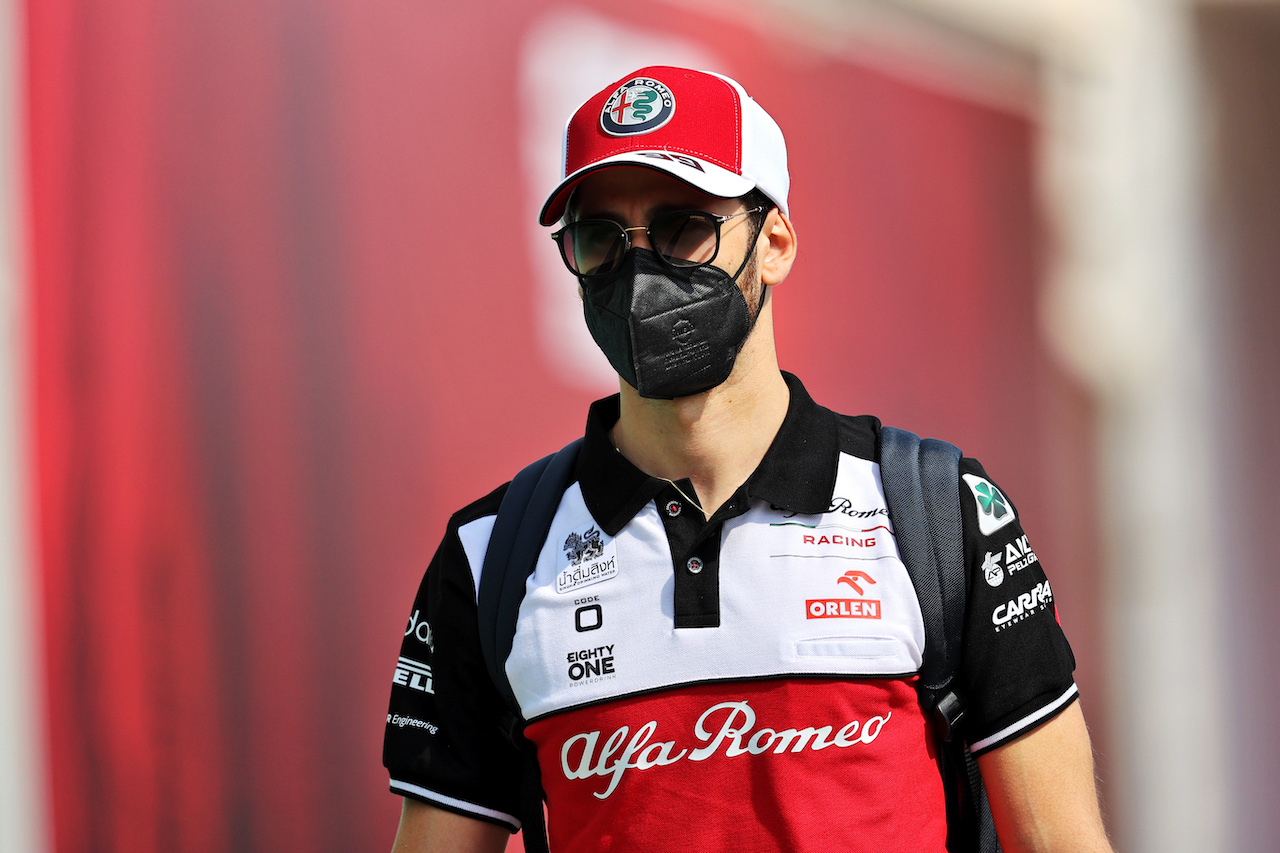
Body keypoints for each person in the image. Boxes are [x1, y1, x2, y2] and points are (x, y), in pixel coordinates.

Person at [384, 66, 1113, 853]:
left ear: (775, 242)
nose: (640, 269)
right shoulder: (493, 554)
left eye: (682, 226)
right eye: (601, 238)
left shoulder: (940, 513)